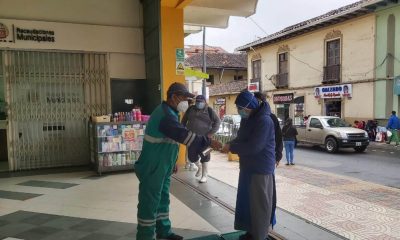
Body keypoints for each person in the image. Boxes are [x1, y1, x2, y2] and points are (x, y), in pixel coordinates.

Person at [134, 82, 222, 240]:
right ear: (173, 97)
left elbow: (170, 142)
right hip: (153, 165)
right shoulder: (165, 115)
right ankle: (145, 236)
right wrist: (208, 142)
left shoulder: (171, 113)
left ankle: (164, 231)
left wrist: (172, 161)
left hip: (163, 164)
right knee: (150, 202)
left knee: (162, 199)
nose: (187, 103)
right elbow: (184, 136)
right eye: (185, 98)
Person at [221, 90, 276, 240]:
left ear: (248, 107)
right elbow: (241, 137)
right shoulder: (249, 118)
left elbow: (254, 147)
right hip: (247, 167)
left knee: (260, 205)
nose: (239, 112)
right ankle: (251, 232)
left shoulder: (264, 121)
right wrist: (231, 143)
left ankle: (260, 236)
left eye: (240, 108)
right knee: (248, 203)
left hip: (260, 169)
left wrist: (231, 148)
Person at [182, 95, 221, 183]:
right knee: (191, 157)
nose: (198, 103)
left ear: (205, 102)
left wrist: (211, 133)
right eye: (197, 101)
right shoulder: (190, 109)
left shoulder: (210, 110)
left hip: (206, 139)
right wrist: (182, 130)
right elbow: (184, 120)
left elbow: (218, 121)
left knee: (205, 156)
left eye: (201, 102)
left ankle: (204, 176)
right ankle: (199, 167)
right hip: (191, 138)